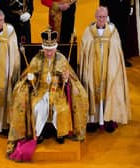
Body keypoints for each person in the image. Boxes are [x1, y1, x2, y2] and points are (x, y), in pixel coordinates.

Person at [6, 28, 88, 161]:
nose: (49, 52)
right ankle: (39, 132)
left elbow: (72, 79)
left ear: (55, 48)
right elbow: (28, 75)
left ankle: (59, 133)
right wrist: (31, 78)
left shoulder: (61, 59)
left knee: (61, 109)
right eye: (46, 50)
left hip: (57, 92)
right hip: (40, 91)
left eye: (51, 50)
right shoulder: (37, 58)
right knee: (38, 108)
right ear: (43, 49)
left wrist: (66, 79)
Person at [79, 6, 131, 133]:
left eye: (103, 17)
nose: (101, 19)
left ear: (107, 17)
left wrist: (112, 65)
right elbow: (84, 51)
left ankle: (109, 119)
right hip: (93, 69)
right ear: (95, 17)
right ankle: (93, 120)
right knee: (91, 88)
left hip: (109, 68)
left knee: (110, 89)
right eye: (99, 17)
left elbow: (117, 50)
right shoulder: (88, 31)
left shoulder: (113, 31)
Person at [99, 0, 134, 67]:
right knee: (113, 37)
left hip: (124, 8)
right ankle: (113, 60)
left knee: (124, 35)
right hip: (112, 10)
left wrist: (131, 6)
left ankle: (123, 59)